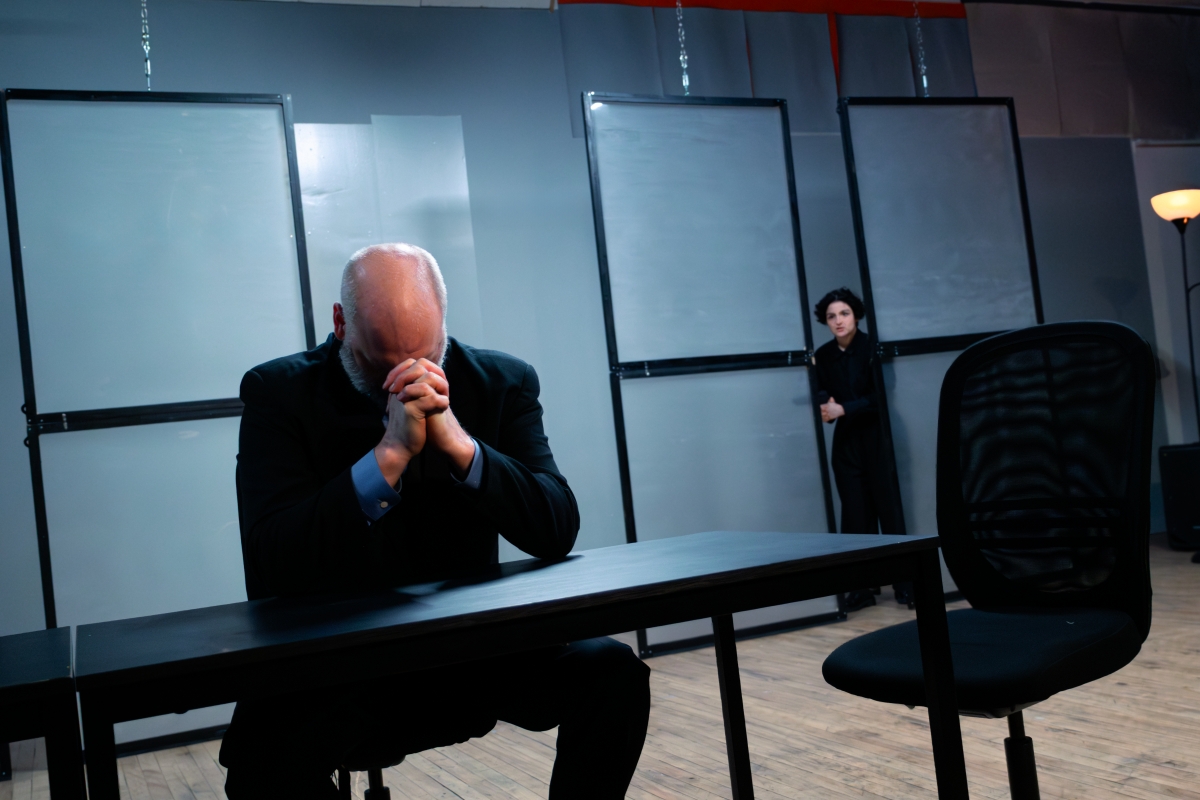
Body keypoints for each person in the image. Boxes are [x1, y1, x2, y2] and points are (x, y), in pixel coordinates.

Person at [219, 243, 651, 799]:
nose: (404, 376)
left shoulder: (502, 381)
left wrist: (461, 447)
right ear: (339, 323)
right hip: (342, 660)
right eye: (382, 362)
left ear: (443, 323)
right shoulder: (278, 392)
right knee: (262, 761)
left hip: (472, 650)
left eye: (423, 354)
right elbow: (272, 562)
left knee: (612, 673)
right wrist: (388, 457)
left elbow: (554, 527)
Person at [812, 287, 911, 610]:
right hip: (847, 442)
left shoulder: (872, 348)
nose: (838, 321)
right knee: (855, 514)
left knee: (889, 510)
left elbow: (881, 395)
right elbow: (821, 390)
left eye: (844, 313)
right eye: (831, 316)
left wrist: (845, 409)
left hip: (877, 436)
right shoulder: (824, 355)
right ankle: (861, 588)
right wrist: (825, 405)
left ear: (855, 315)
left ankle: (905, 584)